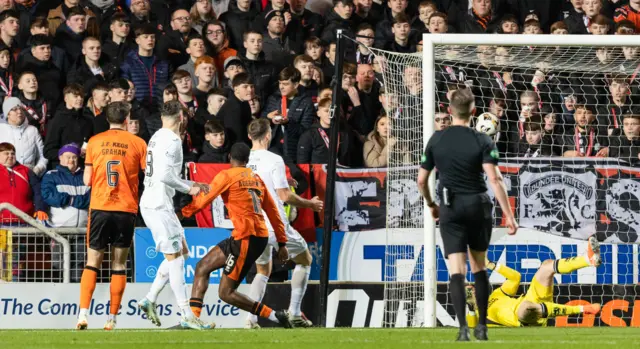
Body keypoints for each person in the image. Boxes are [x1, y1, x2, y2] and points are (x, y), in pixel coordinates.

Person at [417, 87, 517, 341]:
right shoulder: (483, 140)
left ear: (449, 112)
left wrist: (431, 204)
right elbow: (494, 179)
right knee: (479, 266)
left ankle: (462, 329)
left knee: (456, 271)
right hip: (477, 206)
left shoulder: (435, 140)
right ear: (474, 112)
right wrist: (510, 215)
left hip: (450, 207)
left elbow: (421, 180)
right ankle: (481, 327)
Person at [181, 142, 293, 329]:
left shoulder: (227, 175)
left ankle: (275, 316)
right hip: (252, 235)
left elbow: (204, 199)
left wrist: (183, 213)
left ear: (229, 158)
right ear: (247, 160)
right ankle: (193, 319)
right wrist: (281, 243)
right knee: (202, 267)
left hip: (247, 237)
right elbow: (273, 212)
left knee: (226, 293)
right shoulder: (256, 178)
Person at [136, 100, 212, 330]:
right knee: (176, 260)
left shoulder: (157, 136)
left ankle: (149, 299)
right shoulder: (173, 140)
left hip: (159, 203)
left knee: (182, 254)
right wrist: (190, 188)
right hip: (158, 205)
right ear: (182, 117)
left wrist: (192, 182)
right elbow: (165, 176)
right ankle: (187, 314)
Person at [245, 118, 323, 329]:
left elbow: (259, 183)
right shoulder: (274, 159)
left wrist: (282, 182)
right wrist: (310, 204)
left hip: (254, 225)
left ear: (249, 137)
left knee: (262, 271)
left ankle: (251, 320)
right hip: (275, 225)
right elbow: (285, 196)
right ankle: (295, 312)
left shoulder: (245, 160)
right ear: (268, 135)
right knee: (305, 259)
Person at [76, 102, 147, 331]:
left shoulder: (95, 142)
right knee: (119, 264)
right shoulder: (138, 143)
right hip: (125, 209)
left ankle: (83, 315)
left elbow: (87, 180)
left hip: (100, 206)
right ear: (127, 118)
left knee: (92, 262)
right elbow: (150, 174)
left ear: (107, 118)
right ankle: (112, 318)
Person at [466, 236, 603, 327]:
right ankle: (584, 309)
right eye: (469, 291)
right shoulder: (479, 315)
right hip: (524, 318)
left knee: (547, 266)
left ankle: (588, 259)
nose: (473, 289)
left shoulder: (496, 295)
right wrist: (472, 308)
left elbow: (515, 277)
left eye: (472, 287)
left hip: (531, 298)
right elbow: (472, 328)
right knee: (526, 307)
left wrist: (490, 265)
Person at [40, 143, 90, 282]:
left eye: (74, 157)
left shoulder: (85, 175)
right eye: (68, 157)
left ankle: (76, 300)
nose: (71, 160)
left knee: (79, 265)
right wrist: (74, 200)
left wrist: (69, 200)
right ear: (60, 157)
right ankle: (60, 301)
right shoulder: (51, 175)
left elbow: (90, 198)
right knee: (59, 266)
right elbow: (49, 196)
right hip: (59, 230)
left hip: (81, 230)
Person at [0, 142, 47, 225]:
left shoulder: (27, 171)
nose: (10, 156)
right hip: (2, 222)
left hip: (25, 221)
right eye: (6, 153)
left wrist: (40, 208)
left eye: (13, 153)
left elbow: (38, 191)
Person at [0, 97, 47, 176]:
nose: (19, 112)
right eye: (14, 109)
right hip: (4, 177)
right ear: (8, 114)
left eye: (21, 108)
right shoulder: (1, 130)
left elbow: (43, 155)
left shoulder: (33, 130)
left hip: (29, 177)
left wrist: (37, 169)